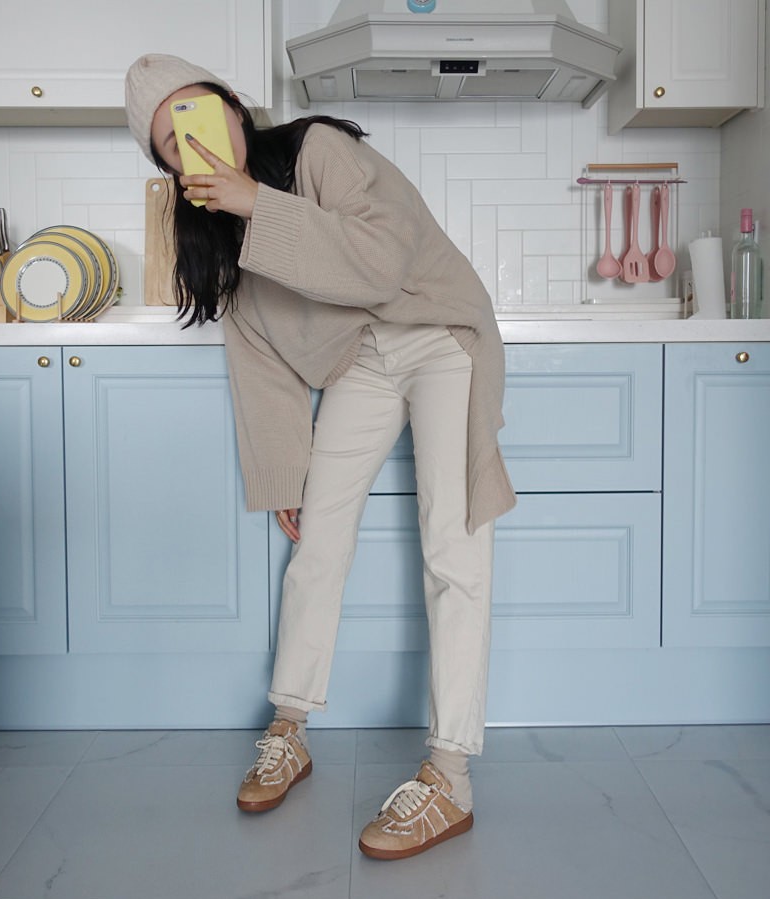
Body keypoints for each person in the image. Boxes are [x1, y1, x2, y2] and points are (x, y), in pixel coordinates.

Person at [124, 53, 516, 860]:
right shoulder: (218, 233)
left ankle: (451, 777)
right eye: (171, 140)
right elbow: (256, 353)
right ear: (167, 166)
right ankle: (289, 729)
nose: (194, 140)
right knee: (317, 546)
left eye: (200, 113)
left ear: (234, 109)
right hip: (363, 359)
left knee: (454, 547)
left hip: (439, 329)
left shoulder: (316, 151)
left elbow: (384, 259)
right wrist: (283, 471)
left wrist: (253, 200)